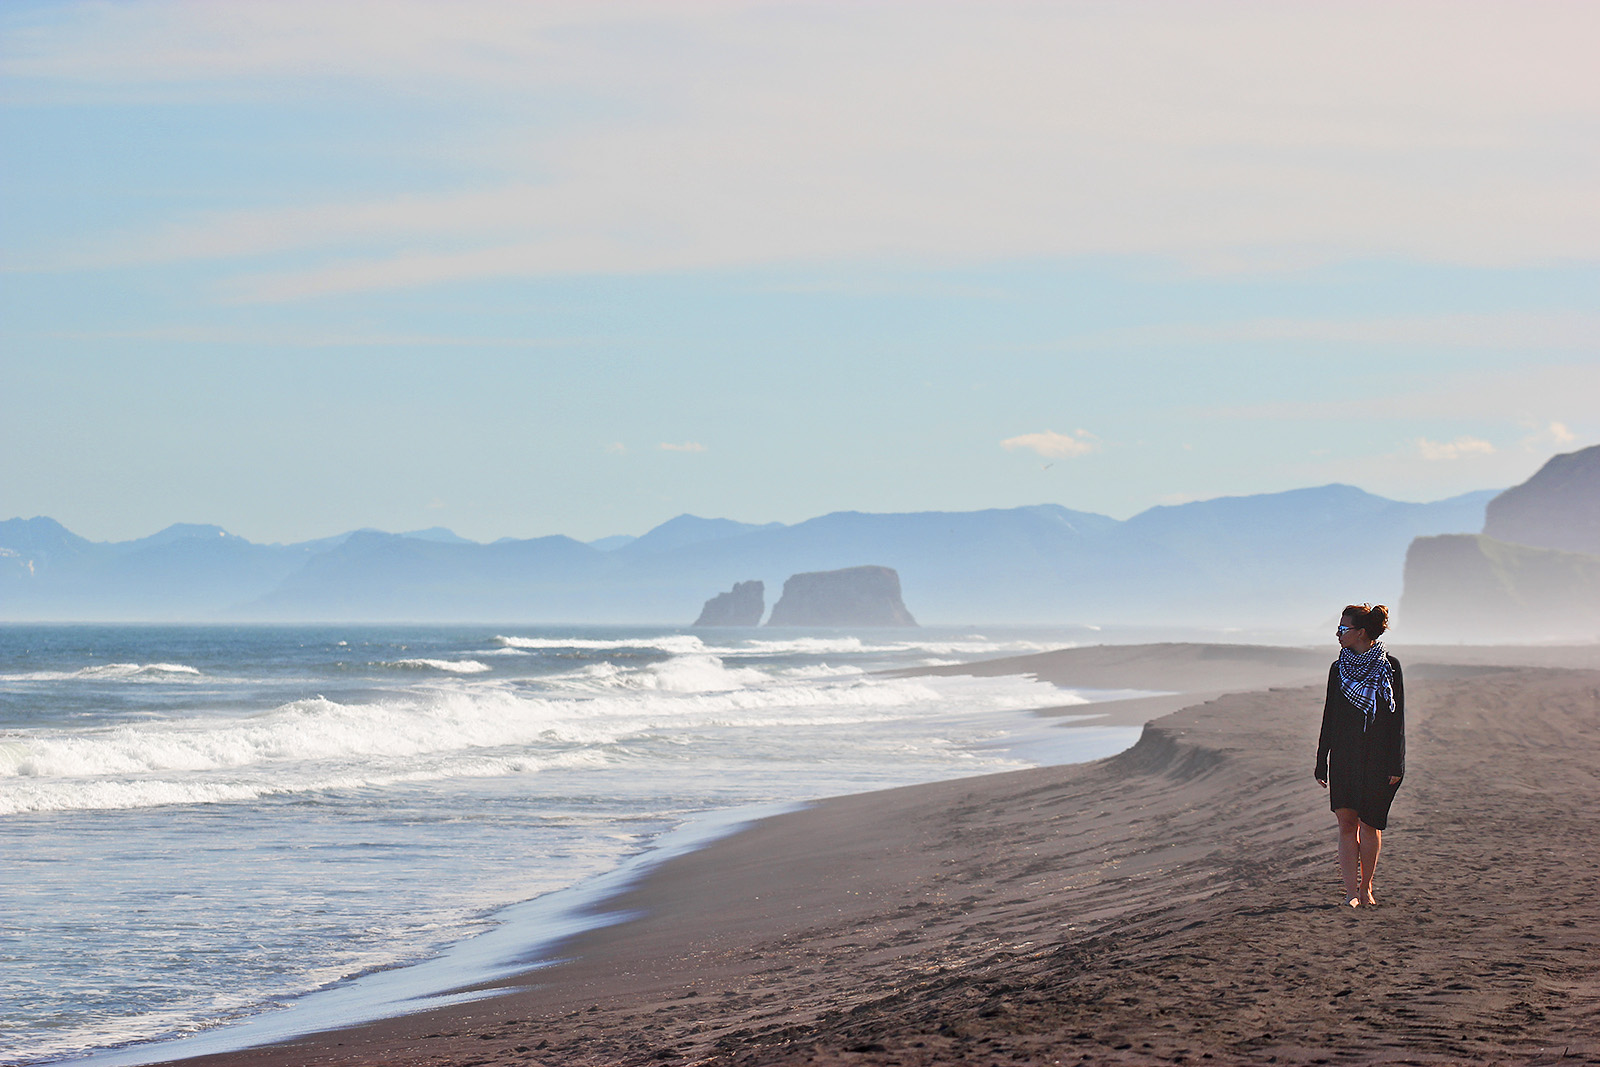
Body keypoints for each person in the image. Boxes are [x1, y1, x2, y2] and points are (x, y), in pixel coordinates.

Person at [1314, 603, 1405, 908]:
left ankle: (1367, 887)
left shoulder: (1389, 666)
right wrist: (1321, 760)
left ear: (1361, 632)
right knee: (1345, 824)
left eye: (1343, 629)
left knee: (1370, 824)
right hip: (1343, 756)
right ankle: (1350, 892)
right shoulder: (1337, 668)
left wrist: (1397, 762)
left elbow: (1397, 717)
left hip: (1377, 758)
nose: (1338, 634)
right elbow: (1330, 714)